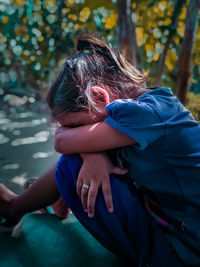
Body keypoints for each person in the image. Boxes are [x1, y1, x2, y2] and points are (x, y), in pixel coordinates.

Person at [0, 32, 200, 266]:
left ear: (98, 95)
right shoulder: (150, 106)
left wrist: (88, 152)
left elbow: (62, 142)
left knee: (70, 165)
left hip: (183, 252)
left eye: (77, 126)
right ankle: (42, 203)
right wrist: (95, 154)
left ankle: (17, 207)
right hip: (180, 236)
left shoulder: (147, 113)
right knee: (88, 156)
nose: (74, 132)